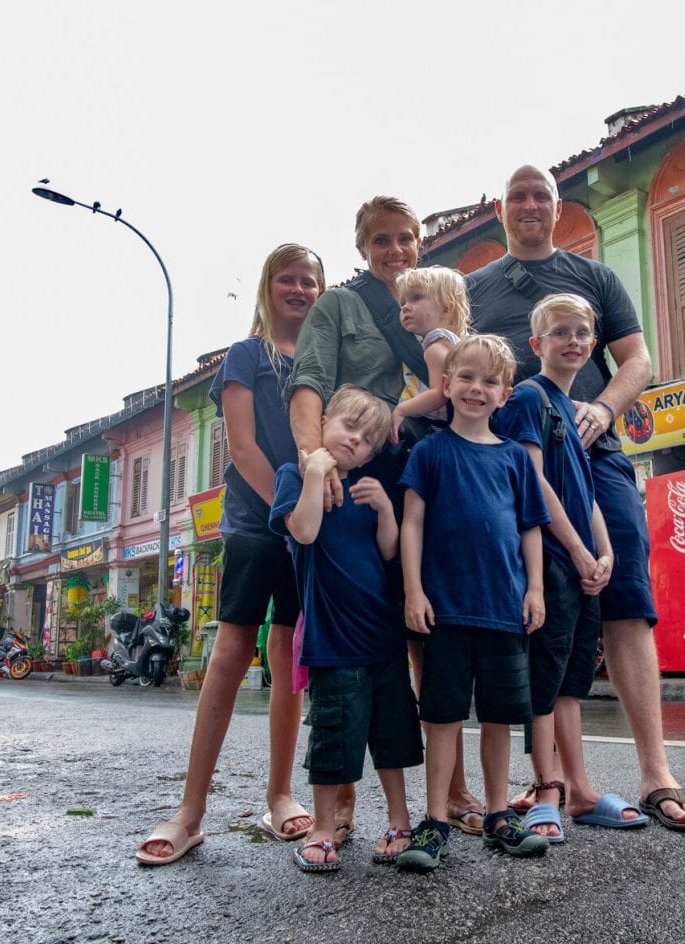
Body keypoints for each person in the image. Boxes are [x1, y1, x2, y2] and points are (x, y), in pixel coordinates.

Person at [468, 164, 685, 831]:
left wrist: (603, 408)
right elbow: (451, 368)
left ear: (556, 207)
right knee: (535, 609)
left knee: (624, 591)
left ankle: (656, 772)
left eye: (540, 195)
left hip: (595, 454)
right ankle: (550, 779)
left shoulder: (595, 277)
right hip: (509, 463)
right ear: (500, 209)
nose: (529, 205)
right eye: (517, 196)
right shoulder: (473, 289)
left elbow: (639, 359)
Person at [289, 197, 487, 837]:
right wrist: (314, 460)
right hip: (356, 472)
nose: (394, 250)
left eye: (405, 238)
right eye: (381, 240)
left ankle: (450, 787)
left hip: (424, 469)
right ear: (361, 246)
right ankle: (340, 803)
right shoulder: (340, 307)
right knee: (352, 638)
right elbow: (309, 383)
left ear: (420, 243)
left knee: (428, 623)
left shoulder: (434, 305)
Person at [136, 243, 325, 866]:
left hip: (309, 525)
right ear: (268, 288)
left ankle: (280, 797)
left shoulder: (326, 359)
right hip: (257, 523)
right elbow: (241, 448)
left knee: (288, 652)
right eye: (288, 280)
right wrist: (290, 515)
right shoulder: (247, 356)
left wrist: (312, 517)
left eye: (310, 281)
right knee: (231, 650)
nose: (299, 290)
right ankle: (191, 812)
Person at [396, 335, 551, 872]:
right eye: (466, 377)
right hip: (445, 611)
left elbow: (531, 527)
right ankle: (435, 820)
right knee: (440, 718)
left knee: (500, 718)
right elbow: (411, 523)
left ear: (505, 394)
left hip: (504, 609)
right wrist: (413, 591)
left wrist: (535, 589)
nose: (476, 389)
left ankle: (499, 815)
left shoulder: (514, 458)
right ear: (446, 385)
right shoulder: (429, 451)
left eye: (489, 381)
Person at [496, 293, 648, 838]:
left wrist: (604, 552)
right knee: (543, 678)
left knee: (571, 682)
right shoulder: (528, 399)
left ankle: (580, 791)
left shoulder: (574, 409)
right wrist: (580, 553)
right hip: (553, 563)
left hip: (583, 564)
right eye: (560, 332)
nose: (574, 341)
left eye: (583, 333)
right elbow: (533, 485)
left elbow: (586, 497)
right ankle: (546, 789)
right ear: (536, 345)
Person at [270, 386, 423, 871]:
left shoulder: (366, 487)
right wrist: (314, 470)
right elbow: (305, 531)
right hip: (332, 640)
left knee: (392, 735)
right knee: (333, 740)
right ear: (325, 422)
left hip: (382, 638)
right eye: (348, 427)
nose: (355, 441)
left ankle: (400, 821)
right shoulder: (294, 476)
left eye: (367, 440)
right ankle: (322, 826)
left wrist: (384, 511)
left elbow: (387, 552)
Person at [389, 265, 471, 444]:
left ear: (446, 309)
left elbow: (440, 394)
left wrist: (402, 410)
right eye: (402, 303)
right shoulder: (455, 341)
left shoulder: (435, 347)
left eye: (416, 298)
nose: (405, 307)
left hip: (440, 427)